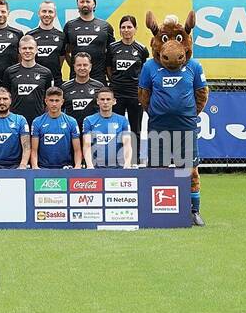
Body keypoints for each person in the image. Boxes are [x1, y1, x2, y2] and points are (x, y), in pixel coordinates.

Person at [139, 12, 209, 226]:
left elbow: (202, 93)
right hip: (158, 127)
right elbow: (144, 94)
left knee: (189, 170)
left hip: (186, 127)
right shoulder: (149, 66)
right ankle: (154, 210)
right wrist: (157, 112)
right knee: (156, 169)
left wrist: (188, 113)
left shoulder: (194, 66)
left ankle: (193, 210)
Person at [107, 15, 150, 155]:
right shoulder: (112, 48)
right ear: (120, 30)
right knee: (116, 128)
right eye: (123, 27)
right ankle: (116, 160)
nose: (126, 30)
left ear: (135, 29)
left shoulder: (142, 49)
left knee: (135, 129)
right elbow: (108, 68)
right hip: (117, 94)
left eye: (129, 27)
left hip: (134, 95)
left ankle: (134, 161)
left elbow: (144, 71)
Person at [62, 0, 115, 82]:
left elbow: (112, 54)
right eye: (82, 2)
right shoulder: (69, 26)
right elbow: (65, 52)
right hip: (76, 79)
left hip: (99, 78)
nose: (85, 4)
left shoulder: (105, 26)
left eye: (88, 1)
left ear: (94, 4)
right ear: (77, 4)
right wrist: (75, 66)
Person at [3, 34, 55, 123]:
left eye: (30, 48)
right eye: (24, 48)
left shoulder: (46, 73)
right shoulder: (9, 72)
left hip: (39, 121)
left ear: (36, 50)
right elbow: (5, 98)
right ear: (19, 50)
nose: (27, 51)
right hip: (16, 122)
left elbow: (49, 99)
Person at [30, 87, 81, 169]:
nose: (54, 104)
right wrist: (35, 167)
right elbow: (34, 150)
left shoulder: (71, 121)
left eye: (57, 101)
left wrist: (78, 166)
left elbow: (77, 150)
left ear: (62, 102)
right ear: (46, 101)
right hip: (43, 168)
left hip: (66, 168)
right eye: (51, 100)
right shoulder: (37, 122)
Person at [83, 87, 132, 169]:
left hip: (118, 167)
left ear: (114, 101)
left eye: (108, 99)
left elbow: (127, 144)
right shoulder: (89, 120)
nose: (105, 102)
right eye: (102, 99)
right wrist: (89, 165)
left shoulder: (122, 120)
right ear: (98, 101)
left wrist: (127, 163)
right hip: (96, 168)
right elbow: (87, 145)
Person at [61, 53, 102, 129]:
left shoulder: (99, 87)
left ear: (90, 67)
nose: (82, 68)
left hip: (93, 130)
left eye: (85, 65)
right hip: (72, 131)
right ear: (74, 67)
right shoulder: (65, 87)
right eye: (79, 65)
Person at [27, 0, 66, 79]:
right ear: (39, 13)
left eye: (50, 12)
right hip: (35, 79)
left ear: (55, 14)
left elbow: (61, 59)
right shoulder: (30, 35)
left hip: (55, 80)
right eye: (44, 11)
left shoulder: (61, 36)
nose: (47, 14)